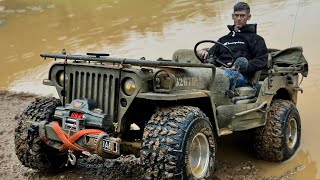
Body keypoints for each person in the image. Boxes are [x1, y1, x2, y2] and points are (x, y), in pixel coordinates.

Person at [197, 2, 268, 88]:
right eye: (236, 15)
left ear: (248, 17)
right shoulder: (223, 39)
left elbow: (262, 60)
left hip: (240, 75)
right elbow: (211, 54)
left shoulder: (256, 39)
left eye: (242, 16)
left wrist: (238, 66)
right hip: (219, 71)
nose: (238, 18)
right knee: (193, 75)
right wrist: (203, 52)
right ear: (232, 16)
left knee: (219, 78)